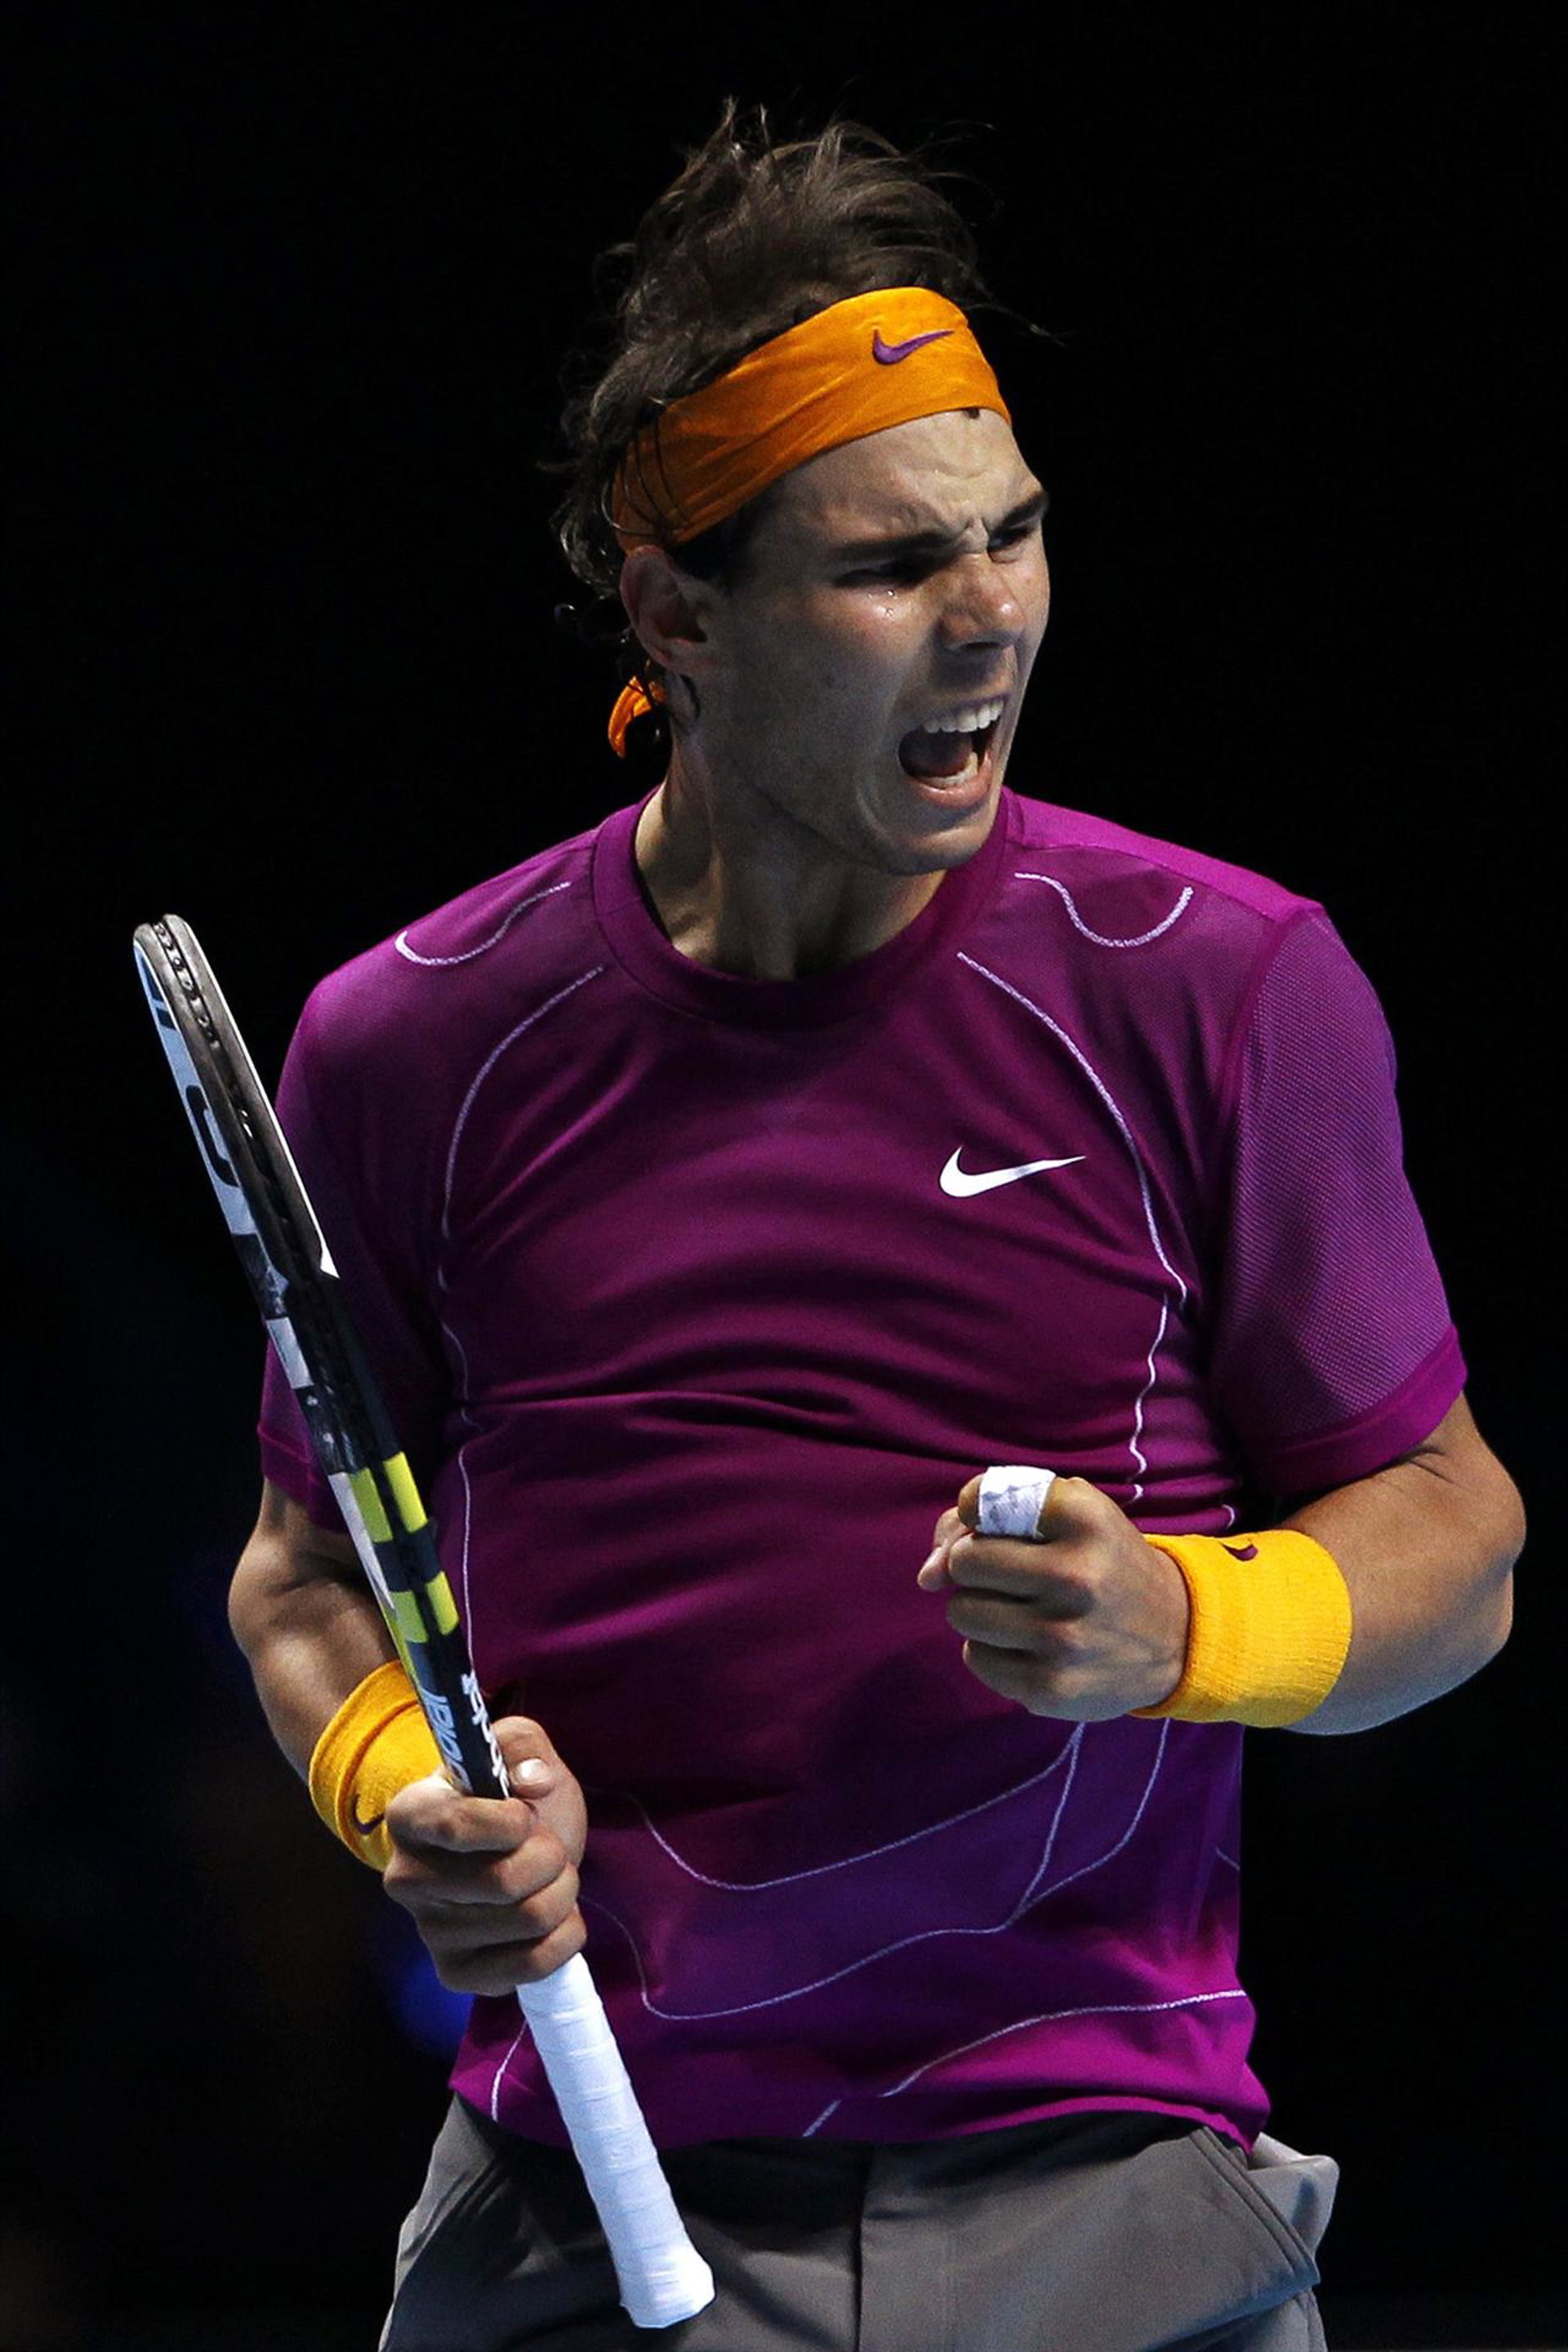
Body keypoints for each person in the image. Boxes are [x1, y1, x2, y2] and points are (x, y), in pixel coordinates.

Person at [231, 107, 1524, 2350]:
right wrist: (404, 1793)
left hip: (1112, 2201)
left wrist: (1191, 1621)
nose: (994, 612)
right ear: (678, 616)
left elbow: (1458, 1545)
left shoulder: (1220, 985)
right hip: (582, 2203)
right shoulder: (413, 1045)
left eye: (1014, 533)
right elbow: (303, 1572)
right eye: (893, 563)